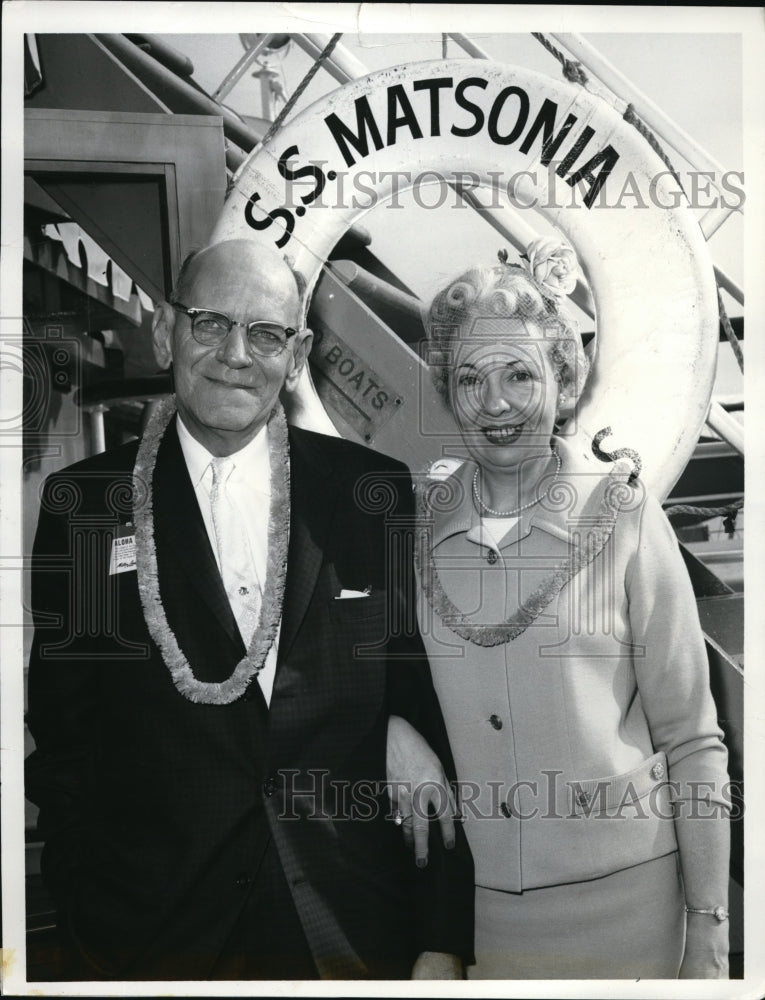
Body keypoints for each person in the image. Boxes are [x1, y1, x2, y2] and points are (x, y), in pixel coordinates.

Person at [25, 239, 474, 981]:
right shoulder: (85, 506)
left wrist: (439, 937)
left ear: (296, 354)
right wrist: (87, 937)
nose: (236, 354)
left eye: (265, 333)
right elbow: (67, 747)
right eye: (210, 324)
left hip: (351, 931)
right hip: (158, 939)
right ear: (166, 332)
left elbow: (422, 715)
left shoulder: (371, 492)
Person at [411, 240, 731, 979]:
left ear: (561, 377)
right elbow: (372, 677)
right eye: (470, 379)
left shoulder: (619, 509)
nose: (495, 404)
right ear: (447, 391)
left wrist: (708, 929)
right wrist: (398, 728)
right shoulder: (417, 522)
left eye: (519, 374)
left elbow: (690, 735)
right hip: (479, 916)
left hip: (632, 908)